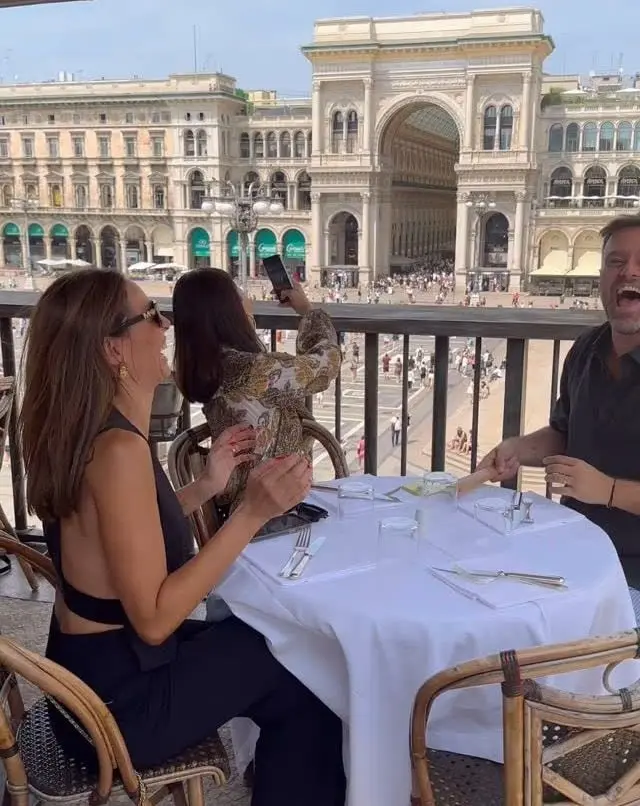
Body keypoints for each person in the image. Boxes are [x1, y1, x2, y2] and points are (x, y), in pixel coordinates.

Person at [20, 269, 346, 805]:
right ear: (112, 349)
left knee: (283, 650)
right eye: (150, 314)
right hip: (117, 709)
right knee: (304, 665)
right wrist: (249, 513)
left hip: (83, 681)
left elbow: (123, 535)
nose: (166, 322)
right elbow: (153, 620)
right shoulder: (119, 452)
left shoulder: (89, 431)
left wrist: (206, 487)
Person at [478, 215, 640, 616]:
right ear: (601, 275)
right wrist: (515, 448)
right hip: (569, 553)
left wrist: (607, 490)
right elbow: (565, 433)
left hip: (630, 582)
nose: (629, 272)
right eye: (616, 262)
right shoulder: (587, 349)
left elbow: (600, 486)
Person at [173, 268, 341, 516]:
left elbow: (242, 346)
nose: (247, 299)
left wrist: (245, 318)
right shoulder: (255, 371)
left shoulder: (206, 365)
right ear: (227, 311)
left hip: (237, 504)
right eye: (239, 295)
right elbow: (325, 365)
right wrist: (307, 310)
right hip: (272, 510)